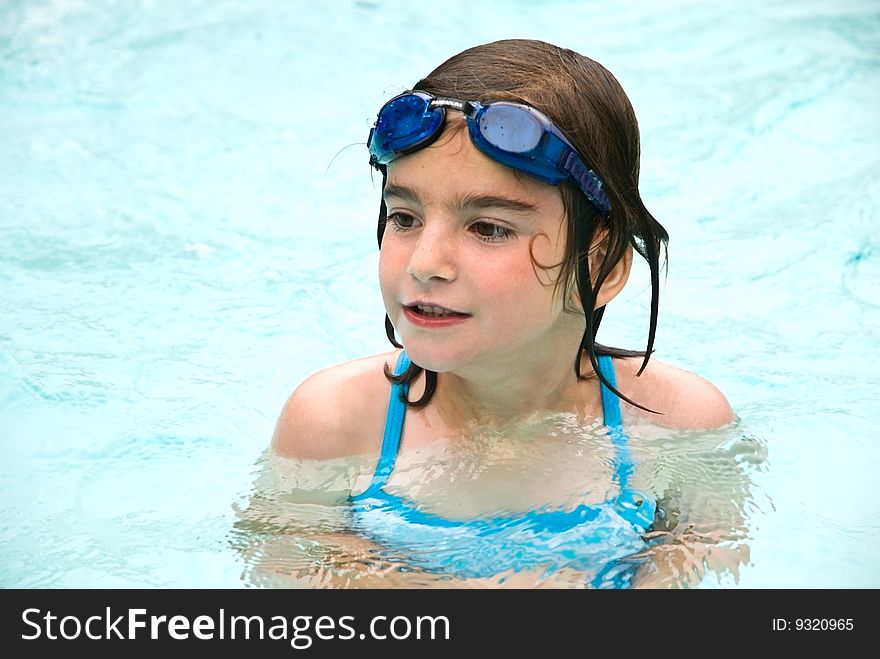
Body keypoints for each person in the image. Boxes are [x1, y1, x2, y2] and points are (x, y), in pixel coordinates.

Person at [265, 39, 745, 588]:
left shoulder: (676, 425)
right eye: (404, 217)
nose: (426, 263)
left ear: (603, 265)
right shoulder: (336, 424)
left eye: (489, 227)